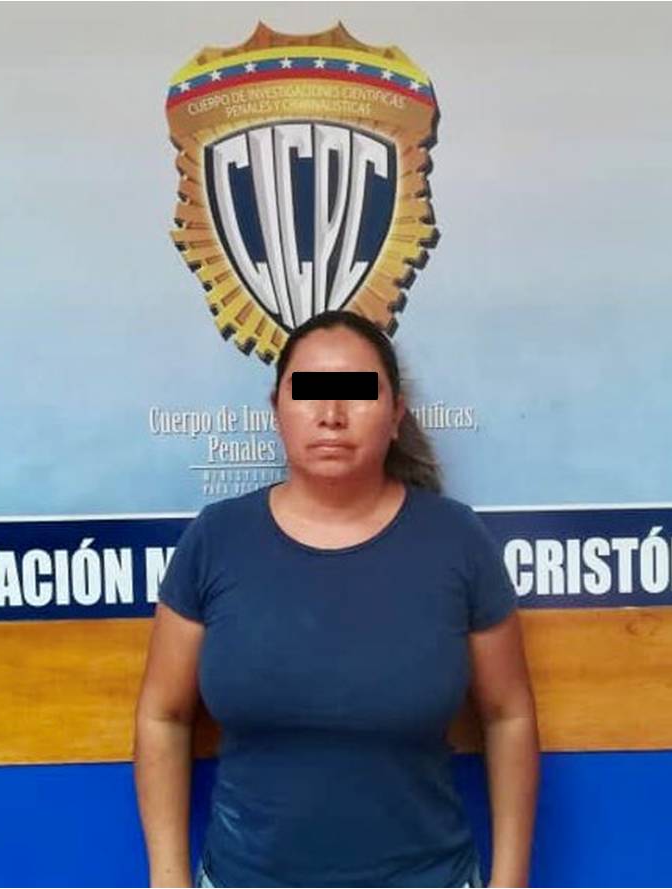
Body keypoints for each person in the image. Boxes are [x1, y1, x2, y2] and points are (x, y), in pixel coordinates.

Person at [134, 310, 539, 888]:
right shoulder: (216, 539)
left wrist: (511, 882)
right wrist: (167, 880)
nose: (330, 414)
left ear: (395, 414)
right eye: (308, 392)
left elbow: (509, 715)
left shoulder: (456, 541)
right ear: (276, 409)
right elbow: (163, 715)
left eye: (357, 391)